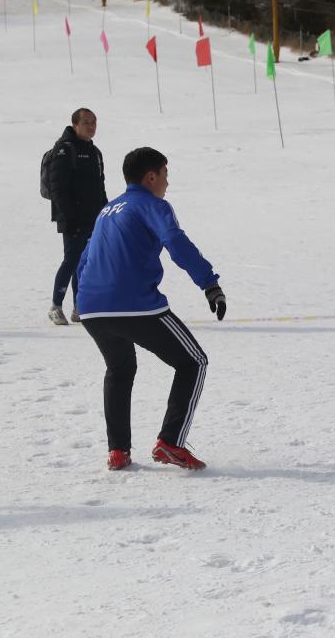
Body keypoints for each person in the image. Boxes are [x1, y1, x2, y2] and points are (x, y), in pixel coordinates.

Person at [76, 147, 225, 472]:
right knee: (193, 362)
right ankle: (170, 442)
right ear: (151, 176)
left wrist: (81, 300)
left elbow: (85, 258)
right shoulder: (153, 205)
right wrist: (209, 283)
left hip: (90, 307)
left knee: (119, 368)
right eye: (165, 175)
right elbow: (175, 241)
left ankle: (118, 451)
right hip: (132, 304)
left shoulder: (107, 210)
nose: (167, 184)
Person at [48, 108, 107, 325]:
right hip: (72, 218)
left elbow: (100, 187)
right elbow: (58, 188)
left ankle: (79, 306)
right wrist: (69, 216)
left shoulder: (95, 152)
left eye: (94, 122)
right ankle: (55, 306)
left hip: (92, 217)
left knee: (86, 262)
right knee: (72, 260)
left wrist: (105, 212)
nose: (91, 127)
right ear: (75, 124)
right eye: (86, 123)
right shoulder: (65, 150)